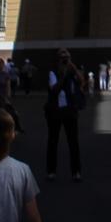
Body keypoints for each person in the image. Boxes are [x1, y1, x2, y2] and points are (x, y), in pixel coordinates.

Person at [42, 50, 86, 182]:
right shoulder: (53, 73)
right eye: (63, 59)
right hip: (55, 111)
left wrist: (72, 67)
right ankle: (51, 171)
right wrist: (64, 75)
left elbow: (82, 81)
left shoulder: (72, 72)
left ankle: (76, 172)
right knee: (53, 141)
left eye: (67, 58)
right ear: (58, 60)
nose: (65, 61)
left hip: (70, 111)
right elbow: (54, 89)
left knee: (73, 142)